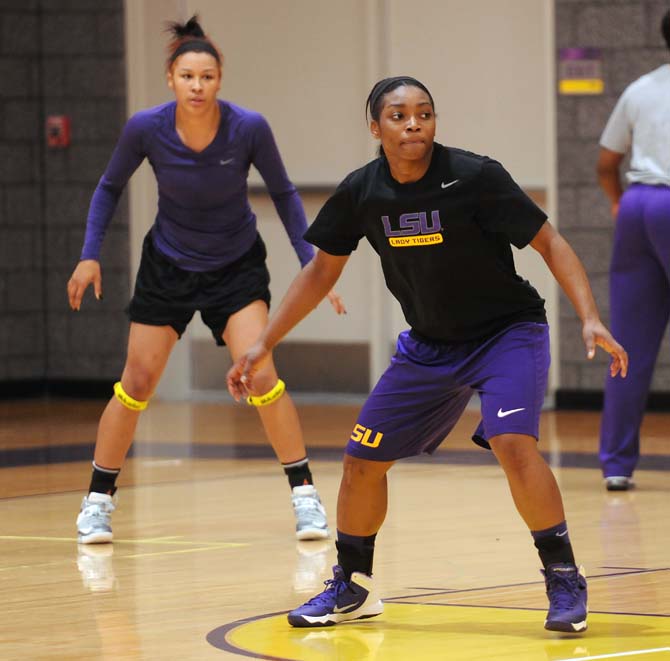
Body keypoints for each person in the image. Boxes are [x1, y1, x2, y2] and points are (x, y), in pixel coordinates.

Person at [227, 76, 628, 633]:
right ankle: (354, 586)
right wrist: (263, 342)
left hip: (505, 333)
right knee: (361, 460)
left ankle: (563, 578)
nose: (413, 123)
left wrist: (589, 316)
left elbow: (551, 242)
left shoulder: (474, 176)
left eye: (424, 113)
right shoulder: (362, 191)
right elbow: (321, 271)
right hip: (429, 347)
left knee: (513, 444)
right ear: (375, 127)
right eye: (398, 115)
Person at [67, 16, 344, 545]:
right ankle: (98, 501)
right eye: (188, 76)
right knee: (137, 383)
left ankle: (305, 496)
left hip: (235, 267)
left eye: (208, 77)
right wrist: (89, 255)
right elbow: (108, 187)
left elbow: (284, 193)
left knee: (260, 374)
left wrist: (313, 261)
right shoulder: (145, 128)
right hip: (167, 266)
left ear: (220, 80)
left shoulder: (249, 127)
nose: (198, 86)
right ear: (170, 77)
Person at [596, 9, 670, 493]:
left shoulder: (641, 88)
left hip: (639, 206)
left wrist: (621, 205)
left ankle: (616, 464)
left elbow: (607, 162)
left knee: (629, 342)